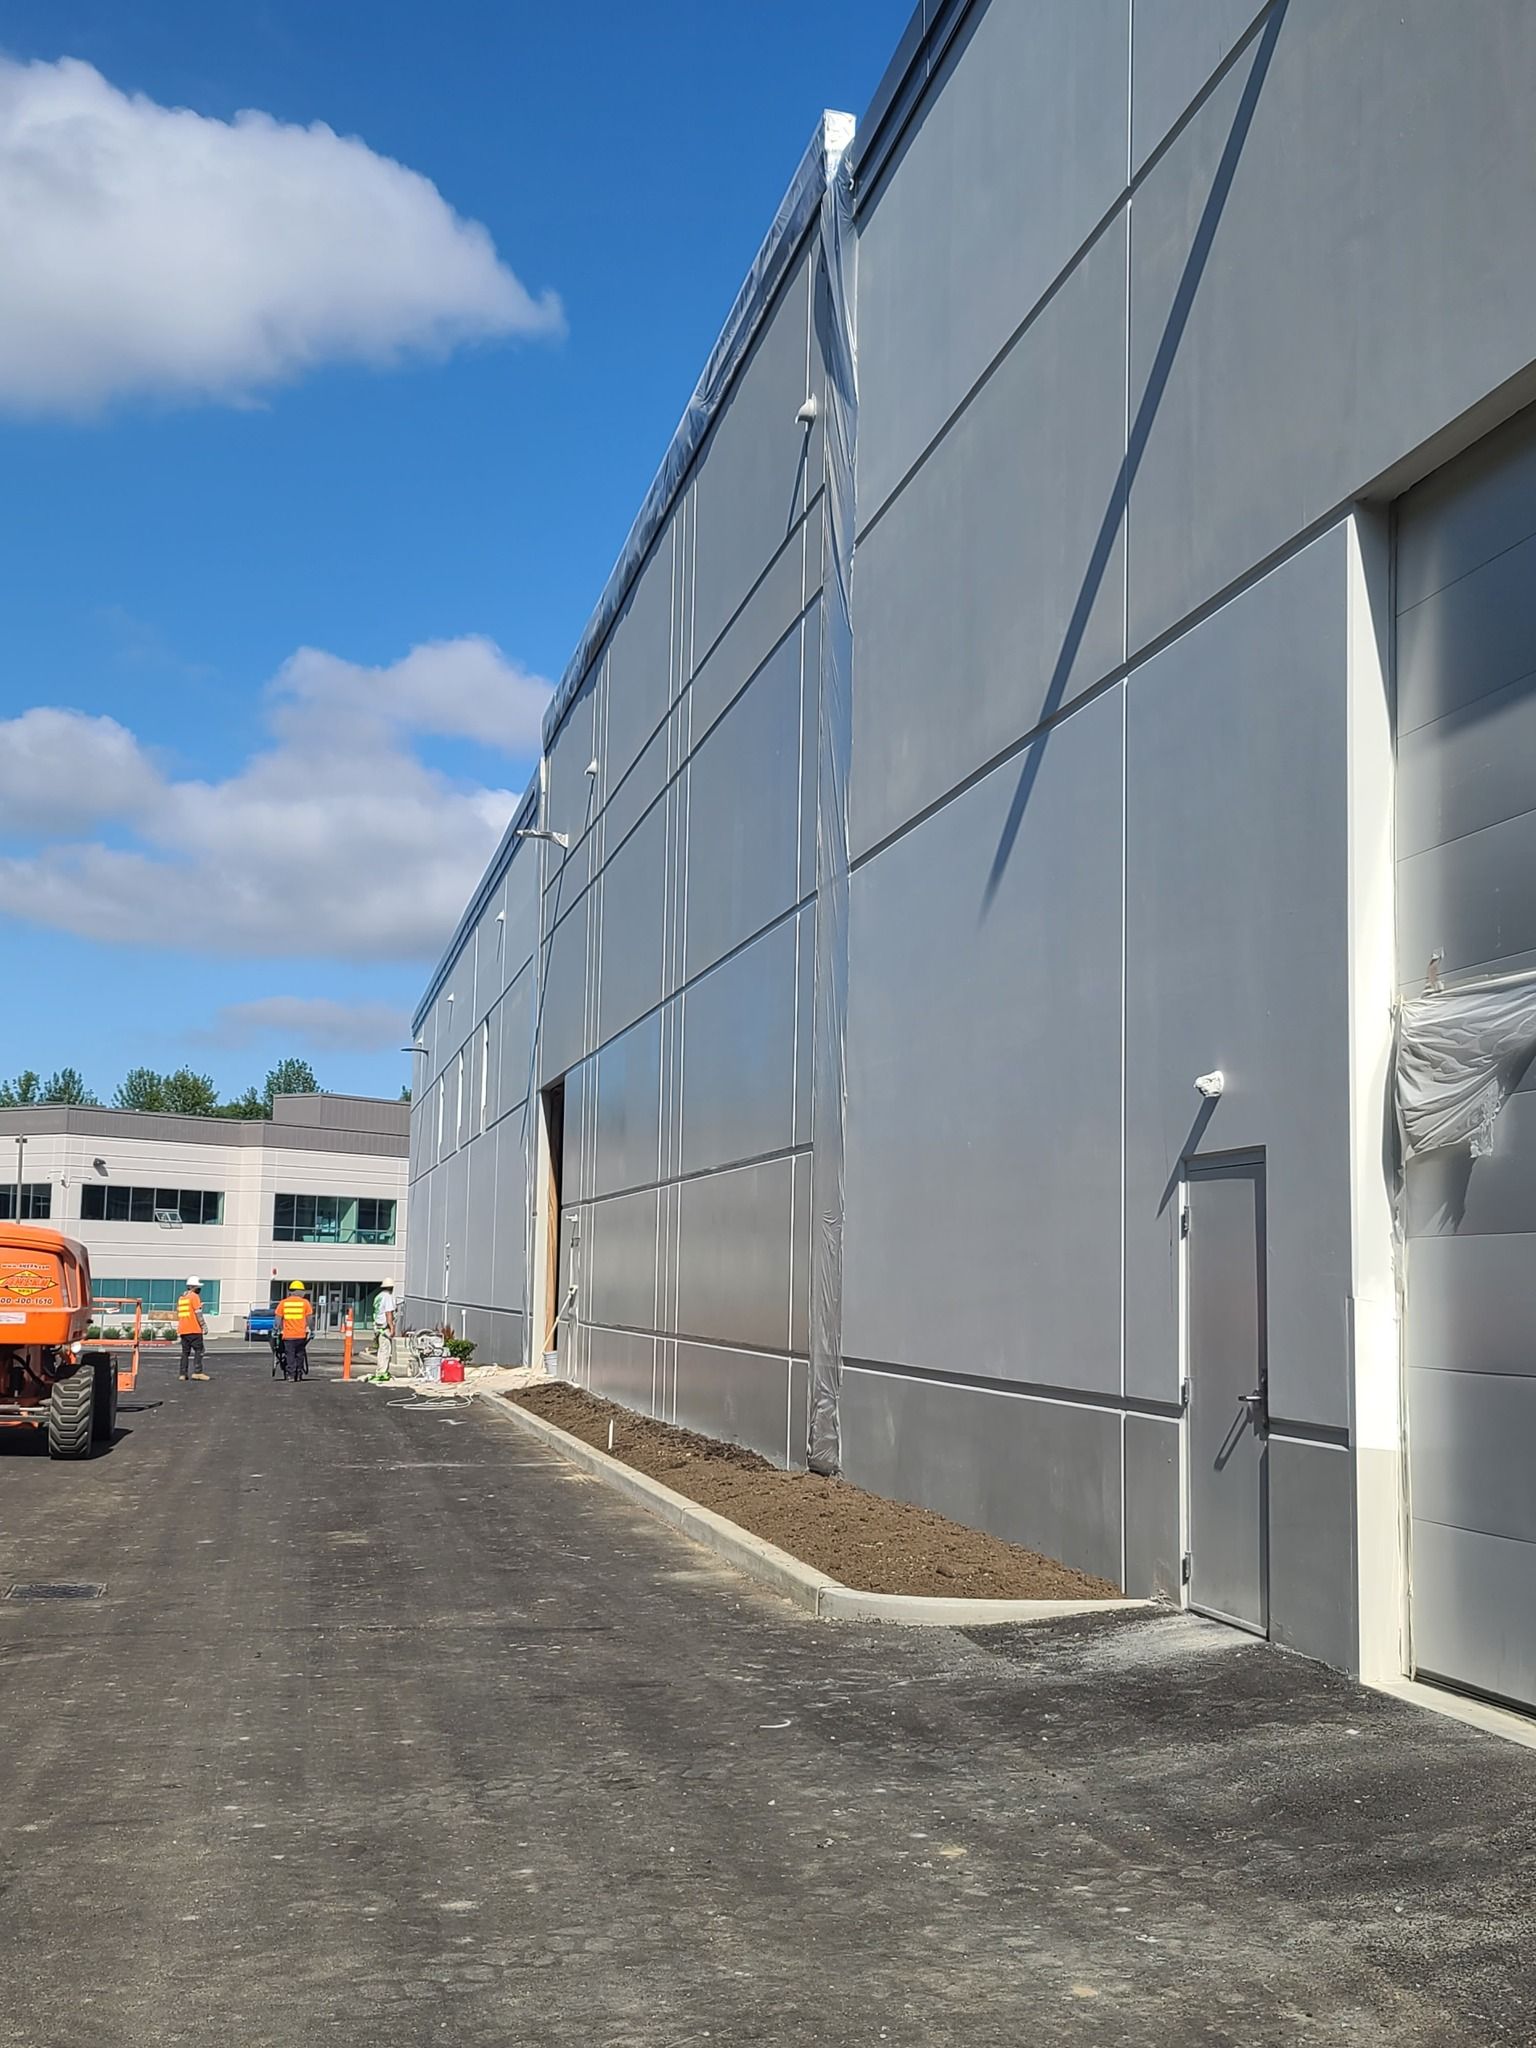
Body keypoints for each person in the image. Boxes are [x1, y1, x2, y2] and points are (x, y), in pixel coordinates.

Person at [276, 1280, 313, 1381]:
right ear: (299, 1291)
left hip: (288, 1335)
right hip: (301, 1335)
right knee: (300, 1355)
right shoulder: (305, 1303)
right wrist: (312, 1330)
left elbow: (278, 1319)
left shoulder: (283, 1303)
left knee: (290, 1355)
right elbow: (309, 1319)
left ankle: (291, 1375)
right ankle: (299, 1374)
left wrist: (277, 1329)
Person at [177, 1277, 209, 1381]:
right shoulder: (194, 1297)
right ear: (194, 1287)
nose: (199, 1289)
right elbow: (198, 1314)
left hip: (183, 1329)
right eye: (198, 1287)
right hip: (194, 1329)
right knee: (199, 1350)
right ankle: (197, 1372)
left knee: (185, 1352)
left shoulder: (182, 1298)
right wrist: (204, 1326)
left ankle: (183, 1374)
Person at [373, 1279, 398, 1377]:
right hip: (384, 1327)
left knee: (381, 1349)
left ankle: (381, 1370)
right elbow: (388, 1313)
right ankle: (382, 1372)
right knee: (385, 1350)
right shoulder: (387, 1297)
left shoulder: (378, 1297)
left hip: (377, 1325)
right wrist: (392, 1327)